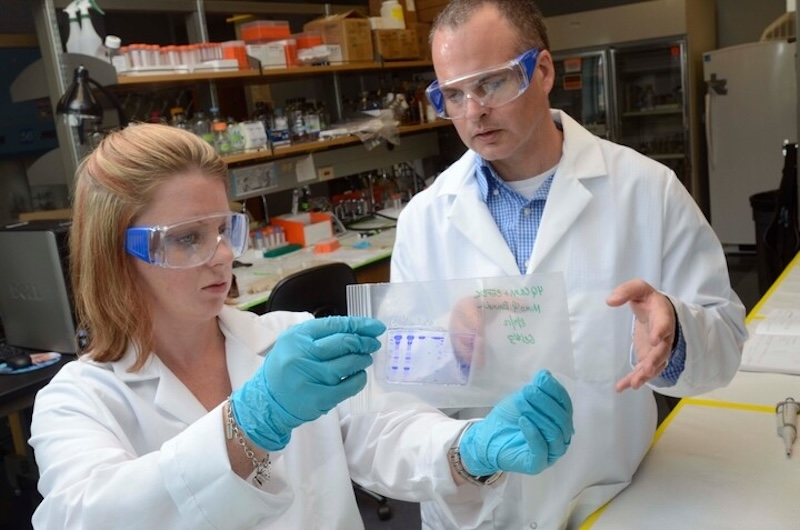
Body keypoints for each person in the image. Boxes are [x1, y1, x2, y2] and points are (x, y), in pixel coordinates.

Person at [28, 123, 574, 529]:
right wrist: (246, 427)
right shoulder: (79, 400)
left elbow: (382, 432)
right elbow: (84, 516)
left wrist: (470, 447)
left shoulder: (286, 338)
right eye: (187, 237)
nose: (222, 256)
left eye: (224, 229)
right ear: (116, 254)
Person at [390, 1, 748, 528]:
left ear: (544, 71)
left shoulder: (646, 191)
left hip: (611, 499)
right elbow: (399, 382)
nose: (473, 111)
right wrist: (449, 348)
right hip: (475, 511)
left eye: (491, 83)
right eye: (454, 93)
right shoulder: (424, 219)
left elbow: (727, 336)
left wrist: (676, 335)